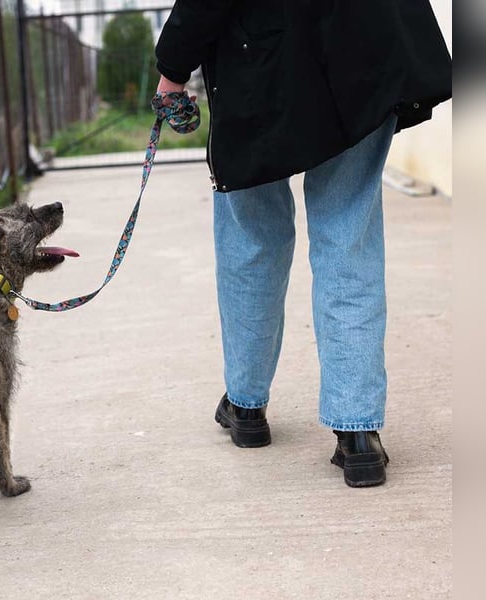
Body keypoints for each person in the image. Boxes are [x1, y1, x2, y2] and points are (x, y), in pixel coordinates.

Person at [154, 0, 451, 487]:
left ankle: (246, 406)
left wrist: (172, 68)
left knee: (251, 240)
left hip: (258, 61)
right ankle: (358, 433)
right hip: (360, 53)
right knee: (348, 240)